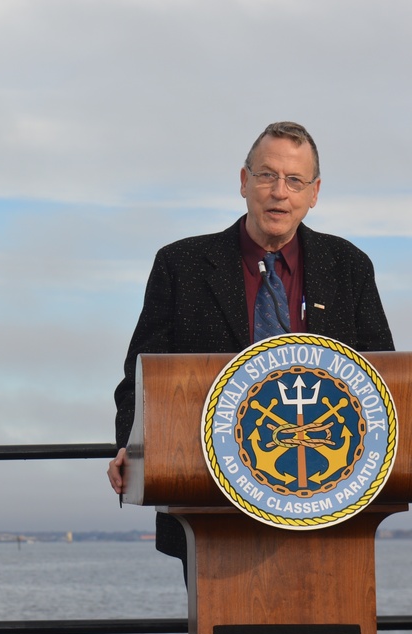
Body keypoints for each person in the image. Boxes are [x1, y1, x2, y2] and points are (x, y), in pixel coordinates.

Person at [106, 121, 395, 572]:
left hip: (331, 509)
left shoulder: (350, 267)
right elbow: (139, 380)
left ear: (313, 193)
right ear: (244, 182)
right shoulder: (180, 265)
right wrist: (132, 445)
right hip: (210, 508)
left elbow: (383, 383)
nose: (280, 192)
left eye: (294, 180)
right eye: (267, 175)